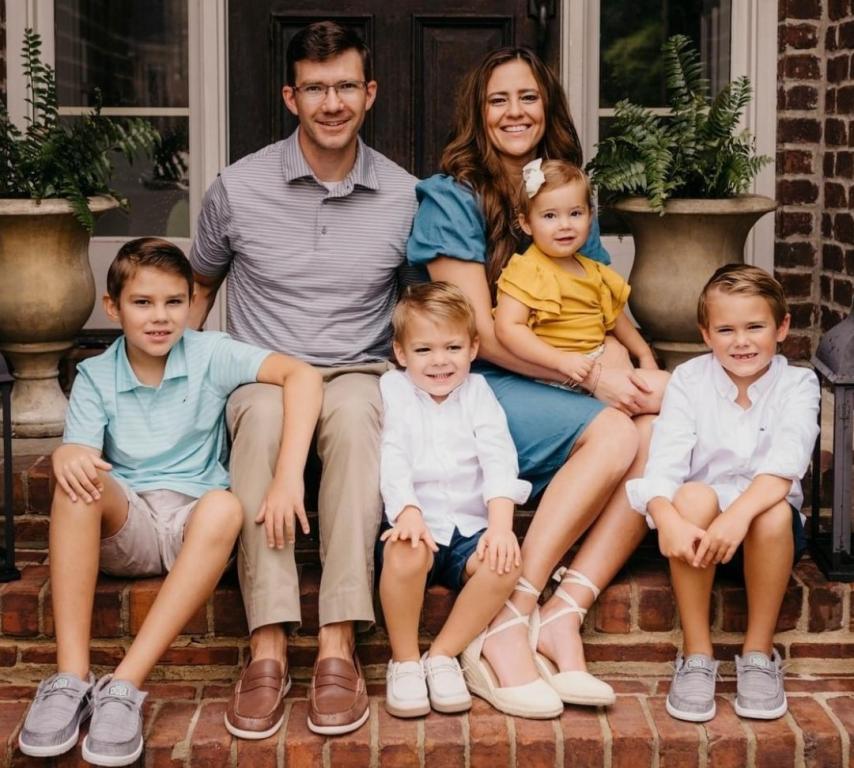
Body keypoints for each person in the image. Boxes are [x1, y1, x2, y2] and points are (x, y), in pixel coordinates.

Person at [407, 46, 655, 717]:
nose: (515, 112)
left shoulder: (565, 191)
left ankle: (565, 611)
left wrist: (632, 370)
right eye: (498, 100)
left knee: (655, 428)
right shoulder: (451, 198)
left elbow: (598, 303)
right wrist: (591, 380)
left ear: (548, 108)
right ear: (477, 114)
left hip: (561, 378)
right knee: (611, 434)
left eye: (528, 98)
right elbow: (480, 333)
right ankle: (512, 614)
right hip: (484, 385)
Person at [188, 21, 418, 737]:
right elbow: (196, 288)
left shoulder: (405, 196)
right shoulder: (237, 186)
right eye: (315, 88)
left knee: (355, 415)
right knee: (259, 417)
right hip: (264, 370)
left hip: (359, 367)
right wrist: (178, 390)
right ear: (291, 96)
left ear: (370, 92)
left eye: (346, 85)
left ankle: (340, 644)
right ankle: (267, 645)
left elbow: (420, 311)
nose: (332, 102)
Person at [17, 239, 321, 765]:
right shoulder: (95, 375)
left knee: (227, 505)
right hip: (128, 525)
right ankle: (70, 678)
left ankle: (124, 687)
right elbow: (86, 461)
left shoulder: (211, 352)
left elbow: (303, 375)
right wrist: (69, 451)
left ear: (190, 303)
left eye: (173, 302)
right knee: (76, 476)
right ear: (113, 307)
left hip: (194, 528)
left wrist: (288, 476)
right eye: (142, 303)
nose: (160, 318)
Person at [626, 264, 819, 723]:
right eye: (726, 329)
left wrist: (739, 518)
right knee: (690, 497)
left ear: (782, 327)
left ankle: (758, 653)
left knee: (769, 512)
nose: (742, 341)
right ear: (706, 334)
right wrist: (665, 515)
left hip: (768, 538)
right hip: (699, 536)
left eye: (755, 327)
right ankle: (696, 655)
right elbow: (664, 463)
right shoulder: (690, 381)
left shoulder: (799, 384)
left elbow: (786, 466)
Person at [378, 282, 543, 718]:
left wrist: (502, 526)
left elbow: (497, 457)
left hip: (470, 528)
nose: (439, 361)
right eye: (424, 350)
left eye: (452, 346)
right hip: (418, 523)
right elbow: (390, 454)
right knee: (404, 552)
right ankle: (407, 660)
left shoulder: (478, 393)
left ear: (473, 348)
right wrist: (407, 510)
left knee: (503, 562)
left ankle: (443, 656)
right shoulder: (392, 390)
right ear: (400, 353)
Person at [494, 158, 668, 412]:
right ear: (527, 224)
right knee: (665, 393)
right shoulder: (527, 269)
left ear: (589, 216)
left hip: (599, 364)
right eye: (550, 216)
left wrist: (643, 354)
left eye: (575, 213)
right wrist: (559, 360)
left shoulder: (592, 269)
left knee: (670, 392)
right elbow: (508, 328)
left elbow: (616, 319)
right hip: (552, 374)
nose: (565, 225)